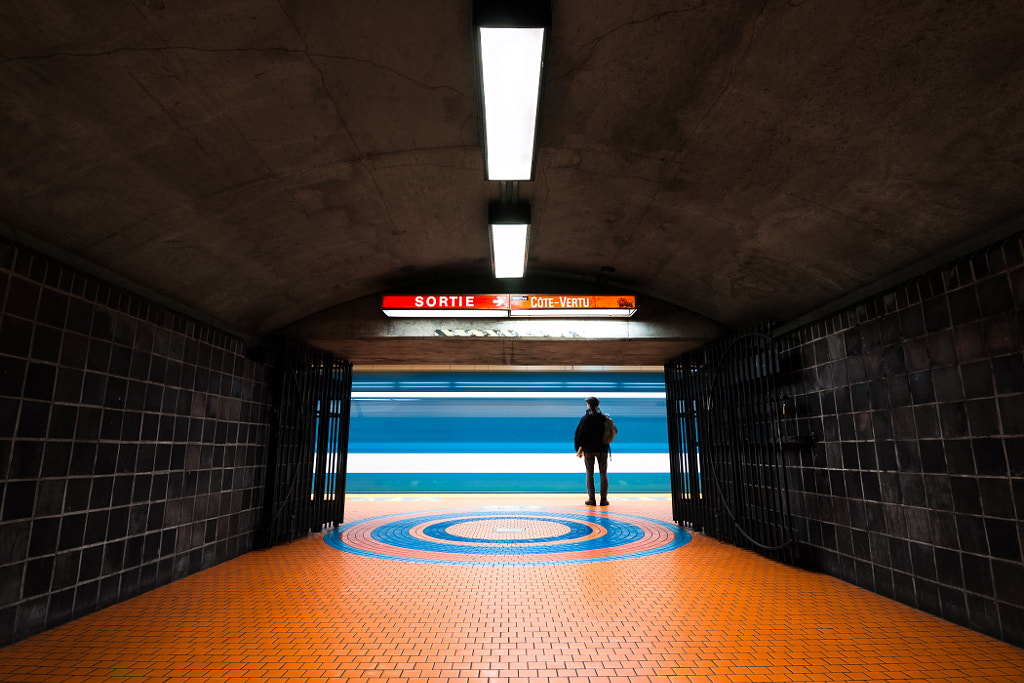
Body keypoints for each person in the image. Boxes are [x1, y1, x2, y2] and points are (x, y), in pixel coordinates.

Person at [574, 396, 609, 506]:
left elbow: (578, 435)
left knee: (589, 474)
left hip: (589, 450)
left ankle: (592, 499)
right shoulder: (604, 418)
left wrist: (578, 449)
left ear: (589, 405)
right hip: (602, 450)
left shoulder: (585, 419)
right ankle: (603, 500)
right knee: (603, 473)